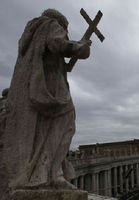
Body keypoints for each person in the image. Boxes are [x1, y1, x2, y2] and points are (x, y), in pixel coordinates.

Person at [2, 9, 91, 191]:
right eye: (65, 28)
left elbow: (55, 57)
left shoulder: (31, 33)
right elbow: (57, 44)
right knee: (67, 124)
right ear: (61, 23)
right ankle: (54, 174)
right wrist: (81, 46)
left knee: (43, 131)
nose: (65, 31)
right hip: (52, 87)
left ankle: (40, 175)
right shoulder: (50, 25)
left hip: (37, 86)